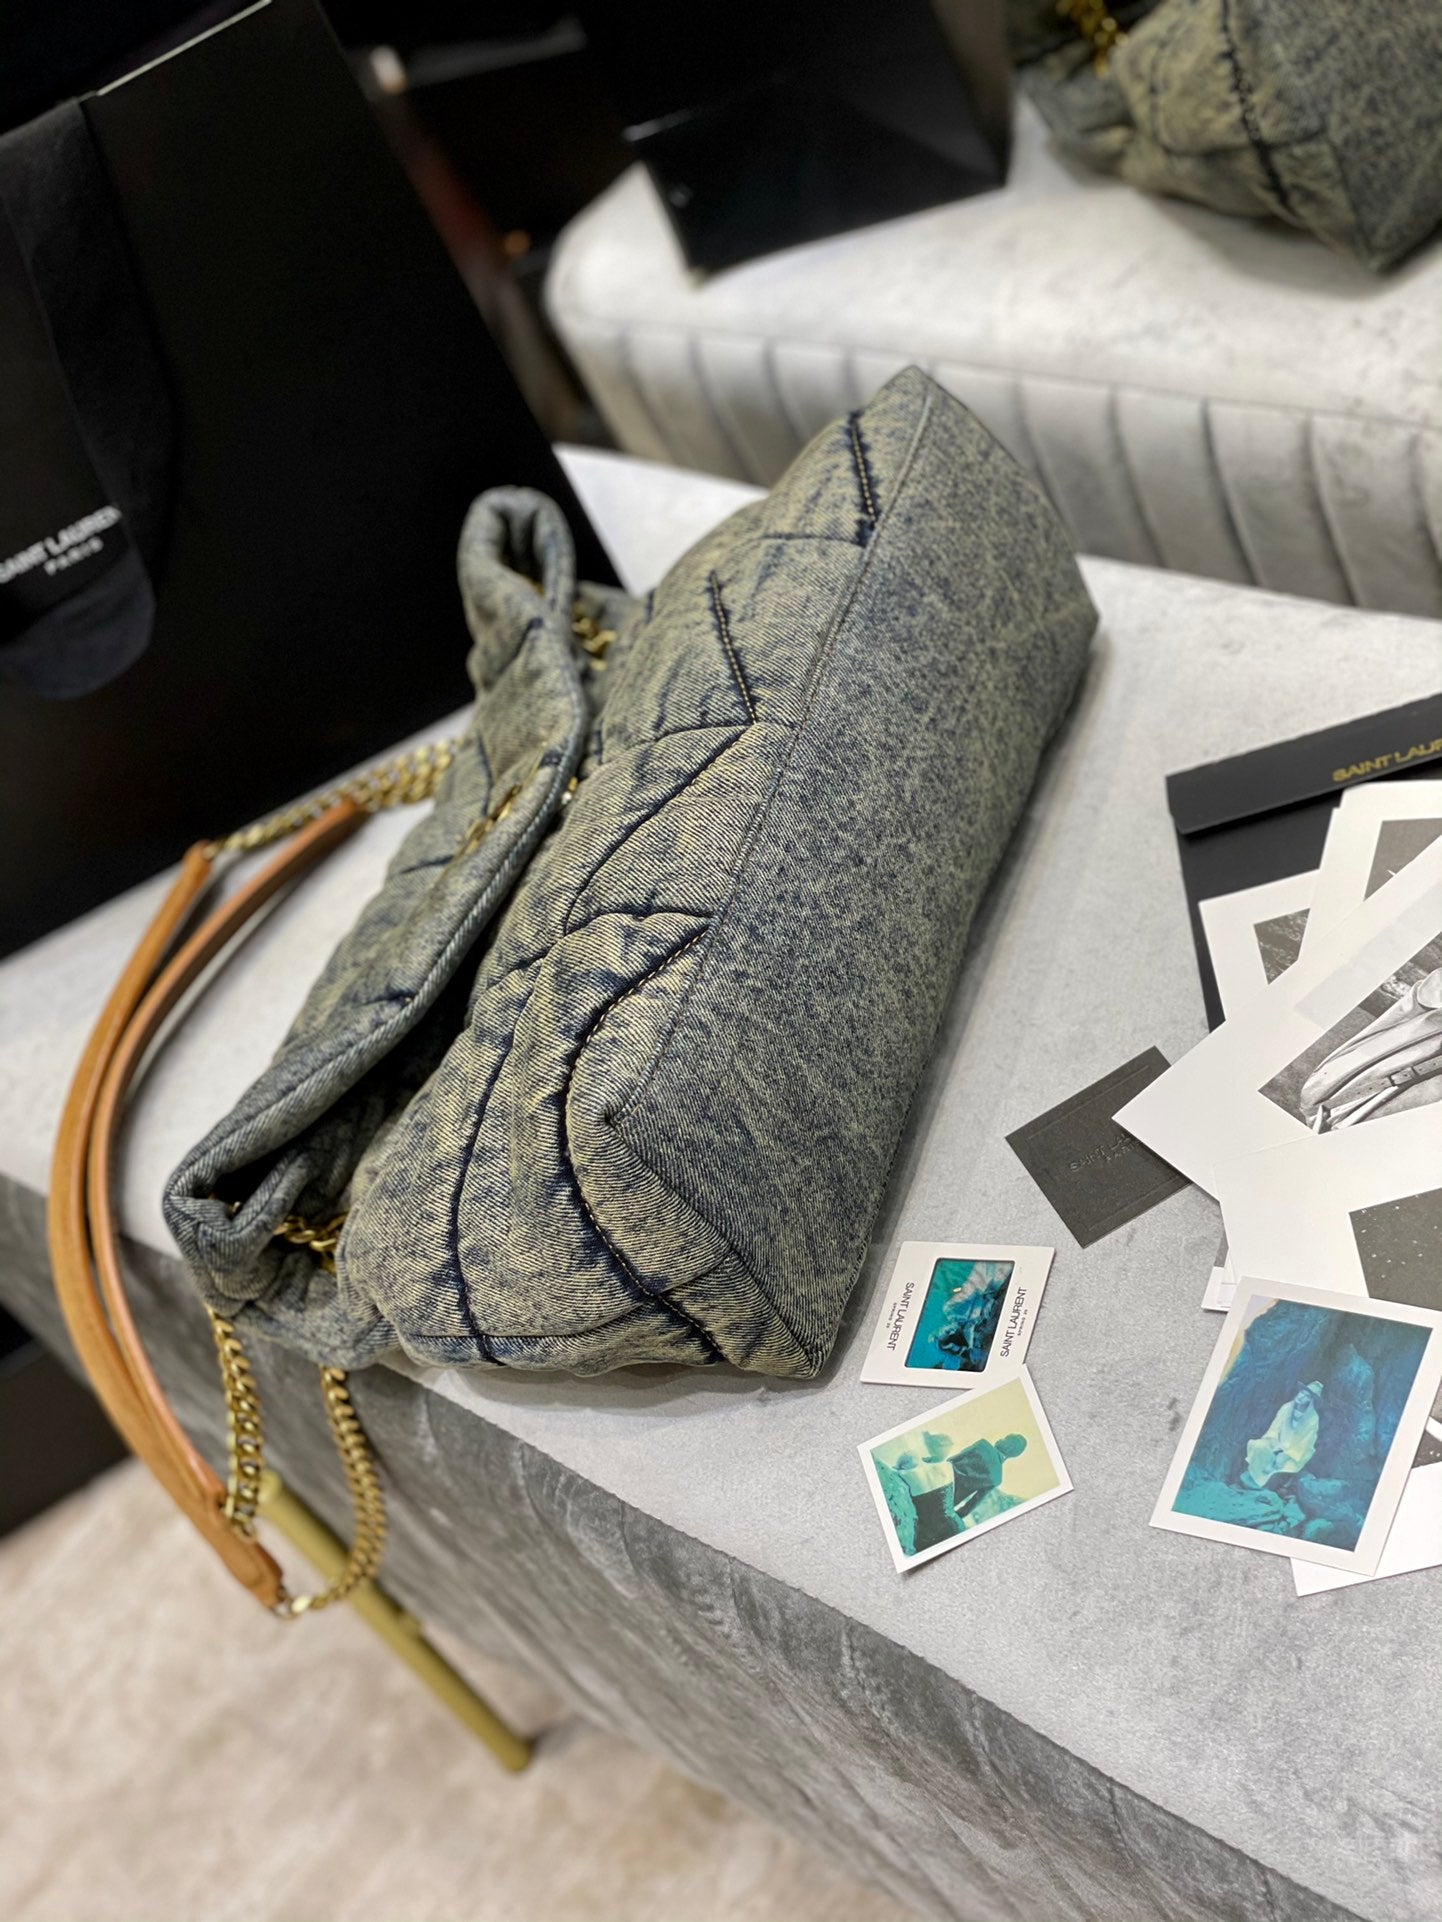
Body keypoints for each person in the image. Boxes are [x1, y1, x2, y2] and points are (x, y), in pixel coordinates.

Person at [1243, 1382, 1323, 1489]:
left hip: (1294, 1453)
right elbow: (1274, 1429)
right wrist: (1276, 1448)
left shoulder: (1313, 1419)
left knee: (1281, 1467)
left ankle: (1268, 1482)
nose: (1301, 1397)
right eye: (1301, 1393)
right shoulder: (1286, 1407)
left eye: (1307, 1396)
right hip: (1277, 1445)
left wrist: (1286, 1455)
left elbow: (1304, 1443)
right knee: (1258, 1446)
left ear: (1311, 1401)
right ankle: (1256, 1476)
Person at [949, 1433, 1028, 1520]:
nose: (1000, 1439)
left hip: (944, 1477)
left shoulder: (983, 1445)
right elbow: (974, 1502)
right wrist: (958, 1515)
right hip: (949, 1499)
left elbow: (955, 1458)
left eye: (1004, 1438)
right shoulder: (997, 1478)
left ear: (1008, 1446)